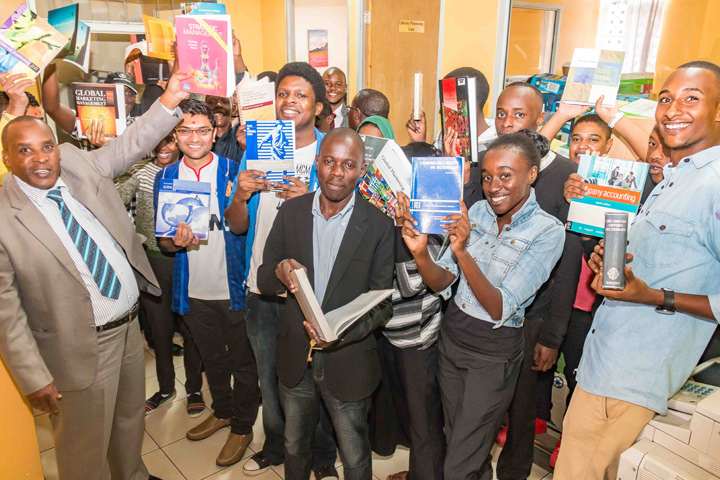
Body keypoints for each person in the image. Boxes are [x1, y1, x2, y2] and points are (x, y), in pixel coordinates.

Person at [0, 72, 189, 480]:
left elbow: (130, 144)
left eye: (47, 146)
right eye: (25, 150)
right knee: (83, 449)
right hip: (76, 350)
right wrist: (33, 377)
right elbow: (6, 313)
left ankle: (132, 475)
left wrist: (171, 98)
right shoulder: (3, 217)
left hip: (126, 332)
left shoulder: (78, 167)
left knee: (127, 422)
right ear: (8, 158)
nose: (41, 158)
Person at [554, 61, 720, 480]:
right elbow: (648, 267)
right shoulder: (671, 181)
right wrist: (605, 262)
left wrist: (654, 296)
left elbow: (656, 288)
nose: (672, 108)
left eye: (691, 98)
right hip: (602, 364)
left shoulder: (714, 185)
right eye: (666, 98)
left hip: (637, 380)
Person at [399, 133, 565, 479]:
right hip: (452, 341)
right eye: (487, 176)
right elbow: (442, 280)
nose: (494, 186)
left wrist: (462, 250)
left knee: (459, 463)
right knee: (462, 444)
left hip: (493, 356)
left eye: (506, 175)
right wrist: (418, 252)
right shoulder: (477, 212)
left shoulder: (547, 231)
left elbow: (499, 306)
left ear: (531, 174)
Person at [257, 127, 395, 480]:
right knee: (294, 447)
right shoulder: (291, 212)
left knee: (354, 456)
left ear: (361, 171)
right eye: (330, 161)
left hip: (348, 361)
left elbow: (381, 304)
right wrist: (280, 270)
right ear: (317, 162)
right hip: (295, 361)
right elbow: (263, 279)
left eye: (349, 165)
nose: (337, 172)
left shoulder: (379, 225)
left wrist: (338, 335)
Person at [225, 61, 339, 478]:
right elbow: (238, 226)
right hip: (261, 289)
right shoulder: (258, 148)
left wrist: (314, 197)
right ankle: (274, 447)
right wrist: (239, 195)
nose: (289, 101)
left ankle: (323, 457)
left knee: (317, 381)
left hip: (312, 292)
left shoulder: (332, 153)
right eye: (283, 94)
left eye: (301, 95)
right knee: (268, 380)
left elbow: (351, 220)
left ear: (320, 106)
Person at [153, 99, 259, 467]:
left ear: (215, 132)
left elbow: (246, 227)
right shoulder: (165, 177)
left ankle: (243, 426)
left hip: (231, 286)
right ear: (175, 135)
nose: (194, 138)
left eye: (202, 130)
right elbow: (163, 241)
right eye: (185, 130)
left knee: (243, 363)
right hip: (192, 288)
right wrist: (174, 242)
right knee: (212, 358)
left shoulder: (233, 169)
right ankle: (224, 411)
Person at [115, 133, 205, 416]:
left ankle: (194, 389)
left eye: (169, 142)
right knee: (159, 328)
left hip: (188, 260)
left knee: (190, 330)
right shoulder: (142, 172)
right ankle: (166, 387)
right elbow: (115, 199)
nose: (163, 148)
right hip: (152, 261)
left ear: (179, 142)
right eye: (158, 142)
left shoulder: (190, 171)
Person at [381, 142, 448, 480]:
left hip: (418, 339)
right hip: (389, 331)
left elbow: (410, 284)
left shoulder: (435, 221)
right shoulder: (386, 212)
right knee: (408, 416)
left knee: (425, 427)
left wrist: (397, 228)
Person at [407, 67, 494, 150]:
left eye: (449, 103)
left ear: (472, 104)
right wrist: (420, 141)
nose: (441, 111)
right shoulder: (445, 135)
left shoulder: (496, 143)